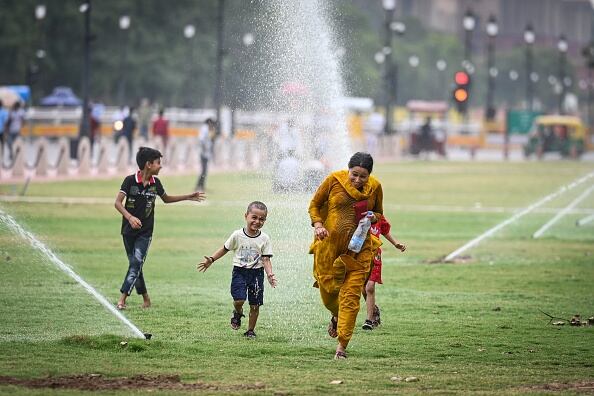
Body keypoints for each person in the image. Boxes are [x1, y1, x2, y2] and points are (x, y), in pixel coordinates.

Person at [309, 152, 383, 359]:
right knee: (329, 296)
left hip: (359, 251)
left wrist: (372, 217)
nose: (358, 180)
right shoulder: (333, 180)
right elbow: (314, 205)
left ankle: (341, 347)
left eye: (363, 176)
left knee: (351, 298)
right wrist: (318, 225)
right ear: (348, 169)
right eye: (354, 174)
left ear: (370, 175)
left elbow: (379, 213)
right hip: (329, 249)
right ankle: (335, 315)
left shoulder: (375, 187)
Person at [114, 147, 205, 310]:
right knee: (136, 265)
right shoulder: (129, 181)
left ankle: (122, 300)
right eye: (158, 163)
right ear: (148, 164)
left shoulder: (156, 184)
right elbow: (117, 203)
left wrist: (188, 197)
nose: (161, 166)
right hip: (128, 232)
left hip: (145, 233)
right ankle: (146, 299)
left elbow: (167, 199)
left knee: (136, 264)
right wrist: (130, 217)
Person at [197, 201, 277, 338]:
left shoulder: (264, 238)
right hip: (239, 272)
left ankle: (250, 331)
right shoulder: (237, 235)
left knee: (255, 304)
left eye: (261, 219)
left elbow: (266, 259)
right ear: (246, 216)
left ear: (265, 220)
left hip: (257, 274)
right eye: (254, 217)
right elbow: (225, 249)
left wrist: (269, 274)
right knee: (239, 300)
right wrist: (211, 259)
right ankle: (238, 312)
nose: (257, 221)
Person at [361, 215, 406, 330]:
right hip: (359, 256)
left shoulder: (378, 216)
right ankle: (374, 311)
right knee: (363, 289)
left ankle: (369, 320)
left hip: (375, 255)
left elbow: (384, 231)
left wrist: (396, 244)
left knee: (370, 287)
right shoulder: (358, 213)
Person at [196, 118, 216, 191]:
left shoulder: (206, 129)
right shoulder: (204, 129)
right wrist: (204, 149)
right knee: (204, 170)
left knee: (204, 171)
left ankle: (201, 186)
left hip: (205, 153)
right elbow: (201, 140)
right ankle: (199, 186)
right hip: (203, 153)